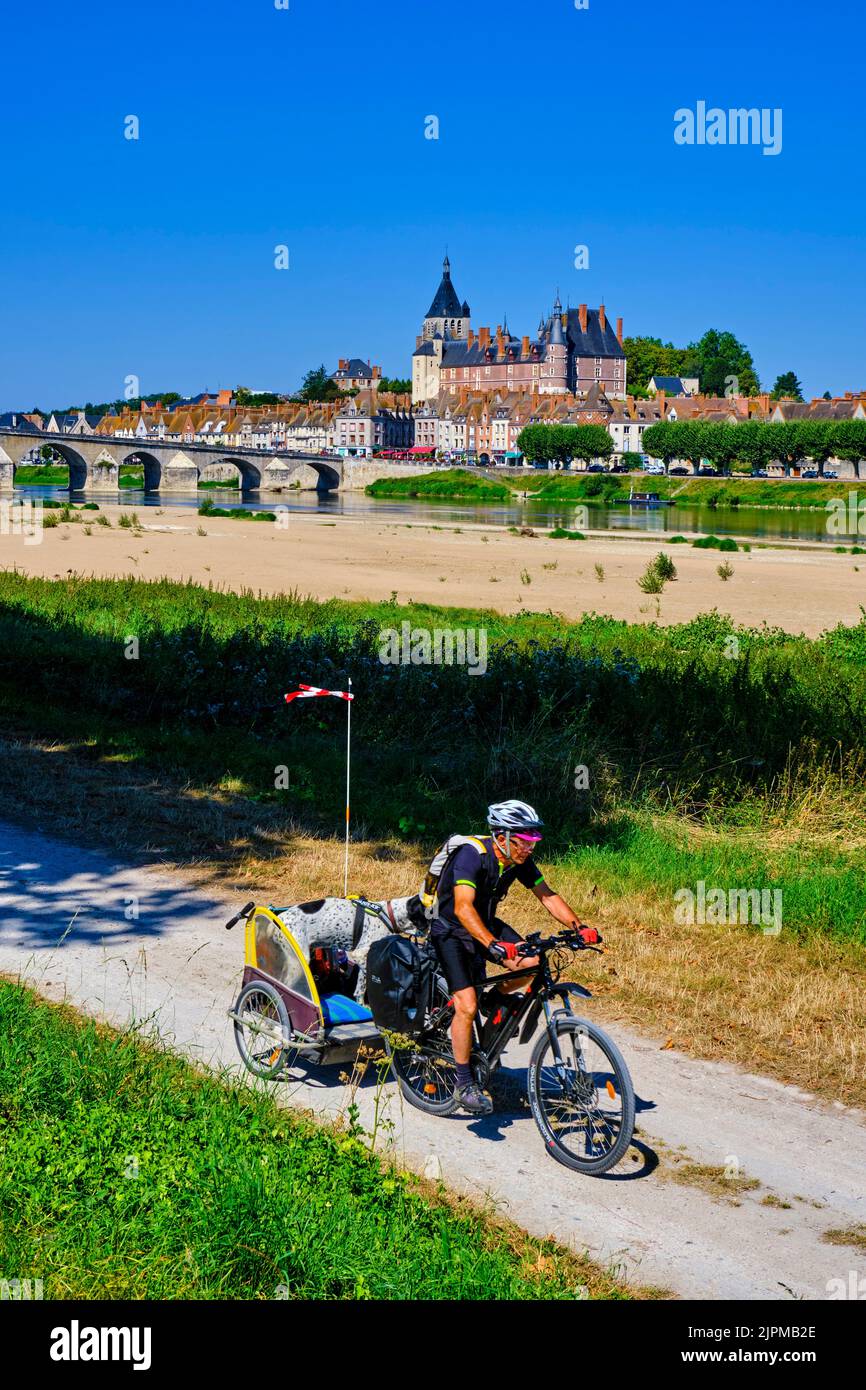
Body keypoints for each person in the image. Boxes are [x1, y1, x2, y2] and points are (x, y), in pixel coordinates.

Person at [431, 799, 596, 1116]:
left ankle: (494, 1001)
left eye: (535, 839)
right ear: (503, 837)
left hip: (485, 924)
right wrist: (492, 944)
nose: (531, 847)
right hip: (450, 929)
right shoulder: (471, 856)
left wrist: (580, 928)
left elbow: (547, 895)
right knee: (466, 1004)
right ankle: (464, 1083)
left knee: (533, 964)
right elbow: (463, 907)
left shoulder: (518, 861)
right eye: (526, 840)